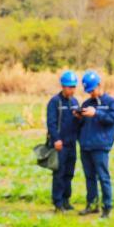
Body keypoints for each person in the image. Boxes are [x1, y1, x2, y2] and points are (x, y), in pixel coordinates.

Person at [76, 70, 114, 219]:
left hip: (100, 146)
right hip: (86, 146)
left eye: (93, 90)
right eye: (89, 91)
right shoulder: (87, 103)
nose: (91, 94)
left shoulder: (111, 102)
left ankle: (107, 207)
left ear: (100, 85)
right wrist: (79, 116)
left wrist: (96, 113)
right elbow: (82, 125)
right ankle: (92, 205)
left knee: (103, 177)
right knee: (89, 178)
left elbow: (112, 120)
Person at [46, 71, 81, 213]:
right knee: (59, 174)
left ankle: (66, 200)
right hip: (60, 145)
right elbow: (51, 123)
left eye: (73, 86)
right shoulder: (55, 102)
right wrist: (56, 139)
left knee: (69, 173)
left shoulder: (75, 102)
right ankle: (58, 203)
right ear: (62, 86)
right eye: (69, 87)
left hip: (72, 144)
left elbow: (78, 123)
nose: (71, 89)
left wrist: (79, 118)